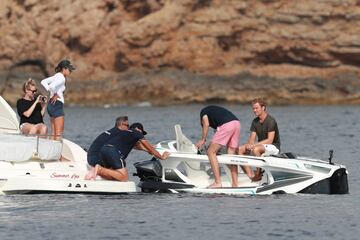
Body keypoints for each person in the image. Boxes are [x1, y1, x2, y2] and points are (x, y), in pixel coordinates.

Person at [86, 122, 170, 181]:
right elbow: (149, 147)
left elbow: (139, 146)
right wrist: (162, 157)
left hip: (104, 151)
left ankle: (97, 171)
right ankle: (99, 170)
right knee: (124, 177)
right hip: (113, 152)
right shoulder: (137, 132)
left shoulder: (123, 133)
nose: (142, 135)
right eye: (142, 133)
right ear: (138, 129)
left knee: (116, 173)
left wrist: (150, 149)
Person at [195, 105, 241, 188]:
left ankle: (217, 182)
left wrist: (203, 139)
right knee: (231, 155)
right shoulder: (214, 113)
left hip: (227, 125)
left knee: (211, 152)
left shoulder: (203, 112)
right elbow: (218, 133)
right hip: (237, 123)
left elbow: (206, 123)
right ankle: (235, 184)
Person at [238, 98, 281, 181]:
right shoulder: (255, 121)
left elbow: (270, 140)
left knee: (255, 149)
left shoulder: (271, 120)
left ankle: (258, 174)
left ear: (263, 108)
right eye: (253, 108)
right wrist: (248, 146)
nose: (254, 110)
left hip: (273, 146)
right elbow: (252, 138)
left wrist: (253, 146)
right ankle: (250, 175)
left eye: (256, 108)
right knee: (240, 149)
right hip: (261, 145)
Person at [41, 59, 75, 140]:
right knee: (58, 133)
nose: (71, 71)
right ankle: (57, 153)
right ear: (64, 69)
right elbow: (52, 86)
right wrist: (56, 94)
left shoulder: (57, 75)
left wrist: (53, 93)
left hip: (51, 105)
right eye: (69, 69)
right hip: (57, 105)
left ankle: (51, 152)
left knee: (53, 133)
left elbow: (43, 82)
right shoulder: (62, 78)